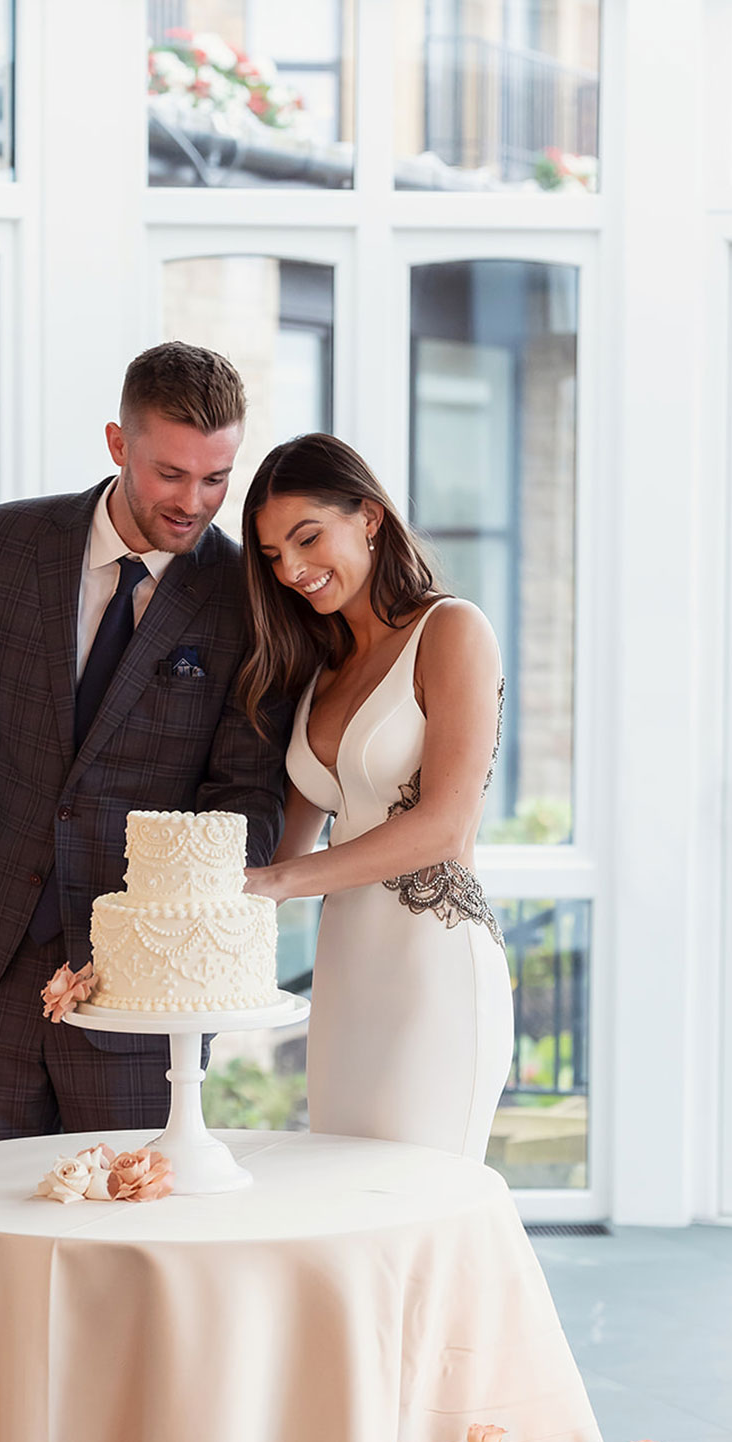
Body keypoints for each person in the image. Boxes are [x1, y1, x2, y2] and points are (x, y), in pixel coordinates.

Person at [0, 342, 288, 1149]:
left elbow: (247, 797)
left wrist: (179, 930)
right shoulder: (6, 546)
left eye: (217, 478)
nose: (194, 502)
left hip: (145, 995)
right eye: (171, 474)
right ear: (118, 444)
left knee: (128, 1238)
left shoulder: (247, 599)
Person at [240, 433, 513, 1160]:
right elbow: (282, 853)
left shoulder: (451, 630)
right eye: (273, 557)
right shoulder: (320, 669)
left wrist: (277, 881)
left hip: (434, 967)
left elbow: (444, 828)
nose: (293, 570)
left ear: (368, 516)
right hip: (346, 974)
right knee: (347, 1209)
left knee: (419, 1215)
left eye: (307, 538)